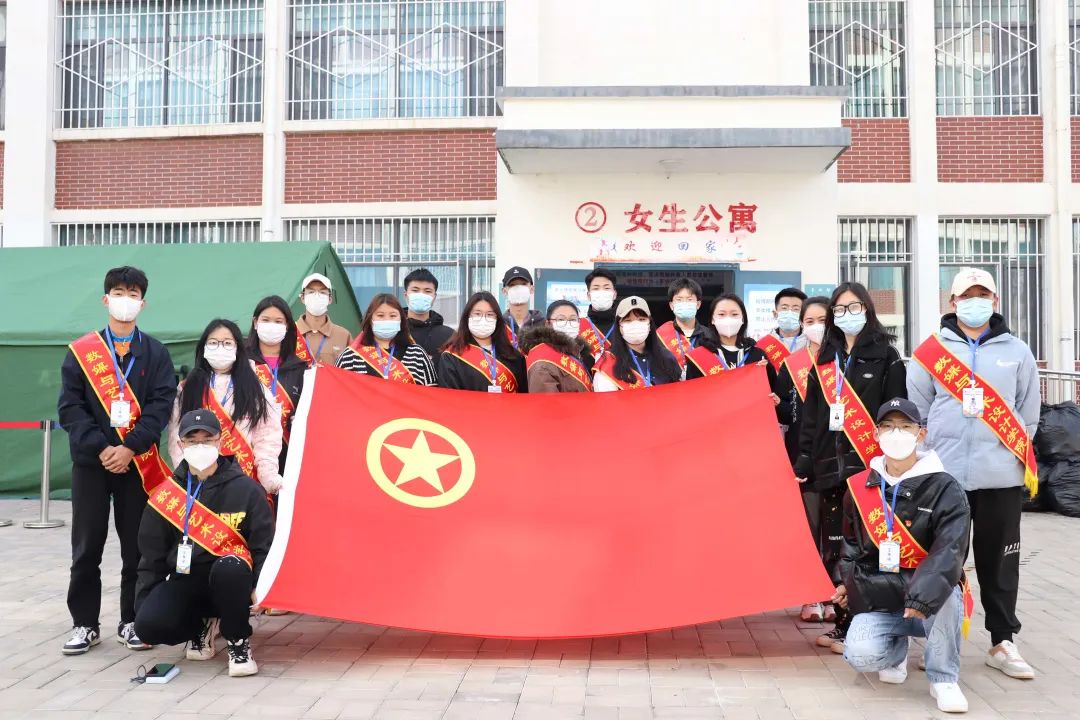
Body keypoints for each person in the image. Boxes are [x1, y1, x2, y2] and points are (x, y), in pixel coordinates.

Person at [907, 268, 1039, 680]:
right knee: (943, 559)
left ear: (995, 301)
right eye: (967, 295)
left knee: (1000, 562)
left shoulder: (1017, 351)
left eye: (983, 295)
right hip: (945, 478)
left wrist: (1005, 453)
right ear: (953, 302)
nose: (975, 302)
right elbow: (918, 413)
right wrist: (930, 460)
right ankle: (938, 637)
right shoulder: (930, 351)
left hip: (1001, 477)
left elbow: (1028, 415)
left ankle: (1003, 640)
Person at [58, 266, 177, 655]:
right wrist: (101, 448)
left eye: (133, 293)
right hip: (92, 465)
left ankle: (132, 619)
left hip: (137, 465)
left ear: (143, 303)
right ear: (106, 299)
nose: (126, 300)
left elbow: (160, 407)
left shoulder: (156, 353)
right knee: (86, 546)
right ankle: (84, 623)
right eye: (119, 292)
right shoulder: (81, 352)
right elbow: (70, 408)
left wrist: (130, 448)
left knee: (137, 548)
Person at [833, 399, 971, 714]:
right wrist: (846, 584)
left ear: (921, 434)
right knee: (860, 655)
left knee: (948, 594)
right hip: (880, 593)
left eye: (906, 426)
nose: (897, 434)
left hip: (928, 596)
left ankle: (944, 678)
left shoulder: (945, 487)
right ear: (876, 433)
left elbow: (950, 550)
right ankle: (896, 651)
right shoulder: (860, 487)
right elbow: (851, 547)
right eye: (888, 426)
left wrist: (921, 598)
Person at [794, 282, 907, 654]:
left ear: (868, 309)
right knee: (837, 549)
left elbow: (896, 413)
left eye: (853, 307)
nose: (846, 315)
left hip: (869, 467)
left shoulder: (886, 356)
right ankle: (843, 625)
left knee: (869, 548)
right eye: (839, 310)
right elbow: (811, 417)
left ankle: (871, 623)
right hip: (829, 468)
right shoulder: (824, 361)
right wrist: (805, 458)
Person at [133, 409, 274, 678]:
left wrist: (261, 586)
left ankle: (238, 642)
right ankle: (201, 625)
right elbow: (151, 557)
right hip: (186, 578)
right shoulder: (167, 495)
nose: (200, 446)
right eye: (192, 440)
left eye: (207, 440)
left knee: (230, 568)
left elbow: (263, 545)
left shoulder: (246, 489)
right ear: (180, 444)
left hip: (232, 581)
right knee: (149, 625)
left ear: (220, 441)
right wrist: (144, 605)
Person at [168, 320, 283, 497]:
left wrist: (268, 474)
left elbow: (267, 436)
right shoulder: (187, 388)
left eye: (227, 343)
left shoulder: (255, 388)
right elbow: (177, 435)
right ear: (204, 348)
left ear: (238, 348)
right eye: (213, 342)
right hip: (199, 478)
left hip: (244, 479)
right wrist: (186, 475)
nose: (220, 348)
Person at [773, 296, 831, 622]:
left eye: (822, 320)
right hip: (803, 455)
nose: (815, 327)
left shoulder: (844, 361)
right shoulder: (792, 364)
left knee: (839, 529)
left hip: (840, 454)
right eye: (809, 321)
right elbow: (784, 411)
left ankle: (837, 594)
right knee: (809, 527)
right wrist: (772, 402)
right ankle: (811, 595)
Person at [246, 296, 306, 477]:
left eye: (278, 321)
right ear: (255, 323)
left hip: (288, 453)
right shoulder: (241, 362)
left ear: (287, 326)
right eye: (266, 320)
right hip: (247, 449)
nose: (271, 325)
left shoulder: (301, 368)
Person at [337, 294, 438, 386]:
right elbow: (338, 391)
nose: (387, 320)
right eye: (380, 315)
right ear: (370, 319)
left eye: (393, 316)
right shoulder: (351, 356)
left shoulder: (417, 354)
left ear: (401, 320)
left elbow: (431, 393)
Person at [438, 292, 527, 392]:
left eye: (490, 314)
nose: (483, 319)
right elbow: (449, 398)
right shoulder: (452, 357)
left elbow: (522, 397)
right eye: (477, 314)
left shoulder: (514, 357)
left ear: (497, 319)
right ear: (467, 317)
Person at [593, 296, 681, 391]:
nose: (635, 324)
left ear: (650, 324)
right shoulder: (607, 363)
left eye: (642, 319)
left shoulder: (666, 357)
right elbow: (605, 399)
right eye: (628, 320)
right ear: (618, 326)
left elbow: (678, 393)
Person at [685, 293, 769, 380]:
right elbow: (692, 388)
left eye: (734, 314)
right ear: (712, 319)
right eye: (721, 314)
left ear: (743, 319)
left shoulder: (758, 355)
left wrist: (768, 370)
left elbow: (770, 386)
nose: (728, 319)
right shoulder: (699, 357)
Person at [519, 300, 595, 393]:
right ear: (548, 324)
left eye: (573, 319)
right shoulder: (542, 359)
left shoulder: (579, 352)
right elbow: (546, 400)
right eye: (561, 319)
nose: (568, 324)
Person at [295, 273, 353, 366]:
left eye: (322, 292)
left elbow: (351, 370)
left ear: (330, 299)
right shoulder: (289, 333)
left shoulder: (343, 335)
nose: (316, 296)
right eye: (311, 292)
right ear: (302, 298)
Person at [655, 277, 710, 373]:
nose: (684, 303)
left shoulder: (709, 335)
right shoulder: (658, 336)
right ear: (671, 305)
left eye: (689, 299)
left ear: (698, 304)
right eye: (679, 299)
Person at [403, 268, 454, 358]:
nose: (421, 295)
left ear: (434, 297)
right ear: (406, 295)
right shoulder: (394, 331)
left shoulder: (448, 335)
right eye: (415, 290)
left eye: (427, 291)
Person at [756, 287, 809, 373]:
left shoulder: (811, 343)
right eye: (784, 308)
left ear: (804, 315)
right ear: (775, 314)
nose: (789, 312)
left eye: (796, 309)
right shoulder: (763, 344)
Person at [579, 268, 619, 359]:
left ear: (614, 294)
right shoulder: (578, 326)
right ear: (588, 295)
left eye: (607, 288)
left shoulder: (623, 325)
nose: (601, 292)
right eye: (596, 288)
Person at [502, 266, 545, 350]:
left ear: (531, 289)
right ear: (504, 291)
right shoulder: (498, 324)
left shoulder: (543, 324)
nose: (518, 288)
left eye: (523, 284)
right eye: (512, 285)